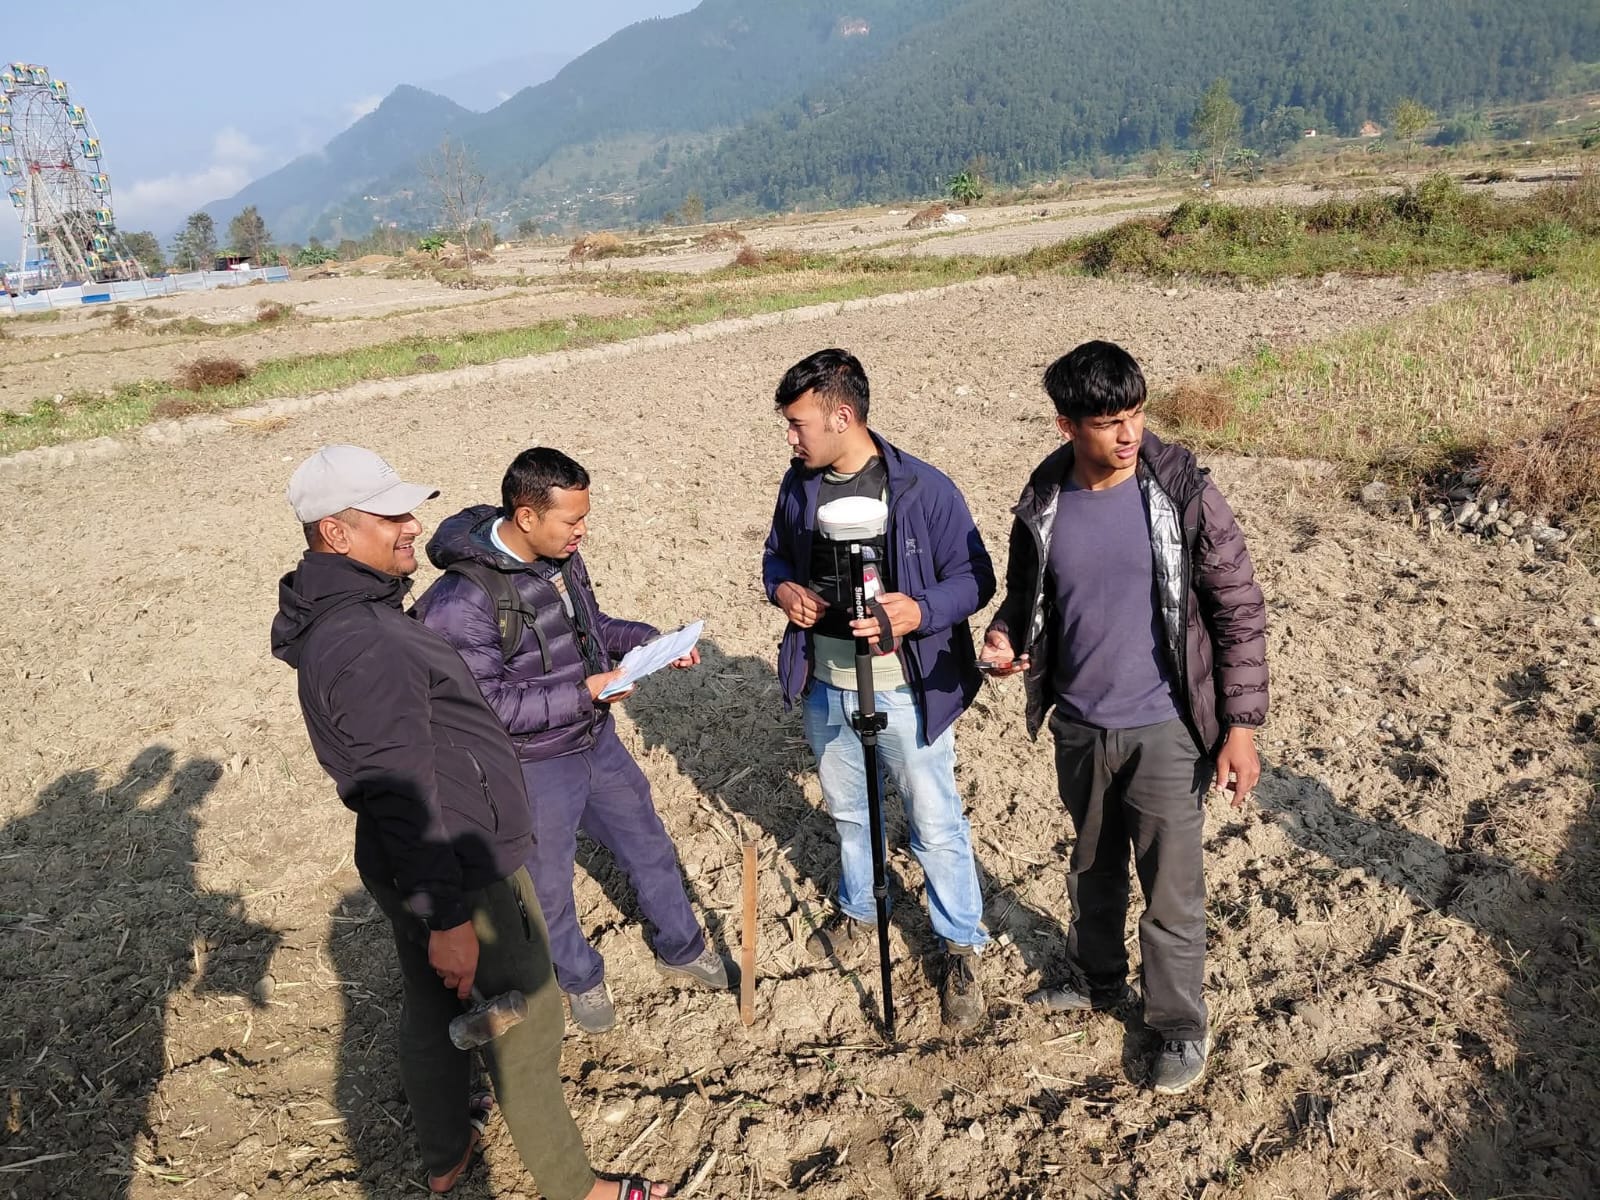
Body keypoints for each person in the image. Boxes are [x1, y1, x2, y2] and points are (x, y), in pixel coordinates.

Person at [270, 445, 668, 1200]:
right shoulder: (366, 640)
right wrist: (449, 916)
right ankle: (575, 1188)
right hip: (458, 856)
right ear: (336, 533)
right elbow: (400, 788)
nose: (411, 526)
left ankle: (445, 1154)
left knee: (430, 1006)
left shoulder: (343, 615)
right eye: (389, 516)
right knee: (529, 1018)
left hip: (408, 856)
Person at [980, 340, 1269, 1095]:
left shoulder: (1181, 491)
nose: (1128, 434)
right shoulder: (1043, 499)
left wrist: (1240, 727)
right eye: (1109, 422)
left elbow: (1237, 608)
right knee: (1092, 867)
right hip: (1079, 723)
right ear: (1066, 425)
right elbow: (1026, 596)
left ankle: (1177, 1025)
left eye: (1136, 414)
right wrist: (1007, 636)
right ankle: (1097, 978)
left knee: (1170, 889)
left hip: (1166, 726)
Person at [415, 447, 727, 1036]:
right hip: (532, 766)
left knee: (649, 845)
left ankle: (682, 948)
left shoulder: (559, 556)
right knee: (549, 886)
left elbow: (589, 627)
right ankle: (580, 979)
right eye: (572, 520)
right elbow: (488, 707)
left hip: (595, 740)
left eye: (585, 517)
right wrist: (585, 692)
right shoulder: (462, 604)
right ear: (526, 516)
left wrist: (649, 642)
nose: (582, 530)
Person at [761, 348, 996, 1029]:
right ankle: (860, 907)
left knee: (935, 822)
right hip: (826, 681)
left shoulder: (923, 489)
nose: (791, 437)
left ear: (842, 416)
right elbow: (775, 555)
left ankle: (960, 944)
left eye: (799, 423)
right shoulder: (799, 485)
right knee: (848, 809)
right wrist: (782, 588)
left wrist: (919, 611)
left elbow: (976, 577)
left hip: (903, 687)